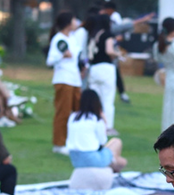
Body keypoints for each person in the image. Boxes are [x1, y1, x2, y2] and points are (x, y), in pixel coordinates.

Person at [46, 12, 82, 154]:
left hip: (75, 79)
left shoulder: (73, 38)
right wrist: (62, 55)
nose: (76, 22)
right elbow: (50, 60)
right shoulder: (58, 39)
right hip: (63, 79)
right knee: (63, 112)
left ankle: (72, 141)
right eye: (74, 19)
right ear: (68, 23)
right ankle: (59, 144)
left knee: (77, 112)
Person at [66, 89, 127, 171]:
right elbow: (102, 141)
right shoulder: (96, 119)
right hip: (92, 159)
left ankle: (112, 167)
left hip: (75, 159)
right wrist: (104, 120)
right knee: (118, 149)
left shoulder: (72, 117)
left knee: (116, 159)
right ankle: (112, 172)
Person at [86, 14, 120, 134]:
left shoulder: (94, 35)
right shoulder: (107, 35)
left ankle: (95, 124)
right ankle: (108, 126)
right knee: (108, 99)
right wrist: (118, 54)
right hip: (106, 68)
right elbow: (109, 50)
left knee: (96, 98)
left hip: (94, 69)